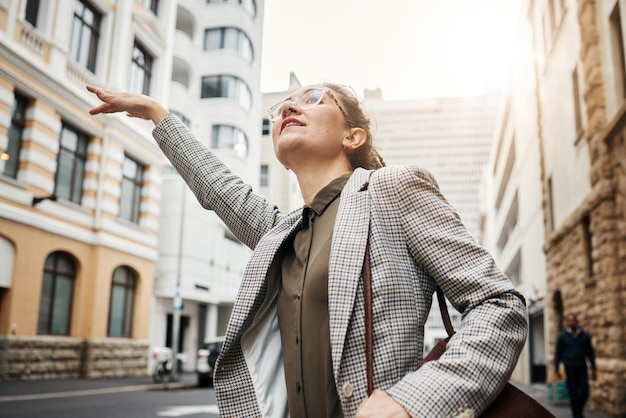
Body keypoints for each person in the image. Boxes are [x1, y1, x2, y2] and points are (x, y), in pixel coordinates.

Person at [86, 83, 528, 418]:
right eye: (280, 109)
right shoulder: (283, 233)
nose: (289, 109)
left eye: (314, 99)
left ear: (352, 137)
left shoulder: (392, 191)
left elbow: (500, 305)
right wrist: (157, 114)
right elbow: (217, 188)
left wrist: (412, 402)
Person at [554, 313, 597, 418]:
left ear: (577, 321)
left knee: (584, 392)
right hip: (569, 368)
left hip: (582, 368)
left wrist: (593, 367)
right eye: (569, 320)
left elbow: (590, 353)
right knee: (573, 393)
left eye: (573, 320)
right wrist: (556, 369)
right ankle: (576, 415)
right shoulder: (562, 337)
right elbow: (558, 354)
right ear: (567, 322)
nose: (572, 322)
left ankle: (579, 411)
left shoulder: (584, 336)